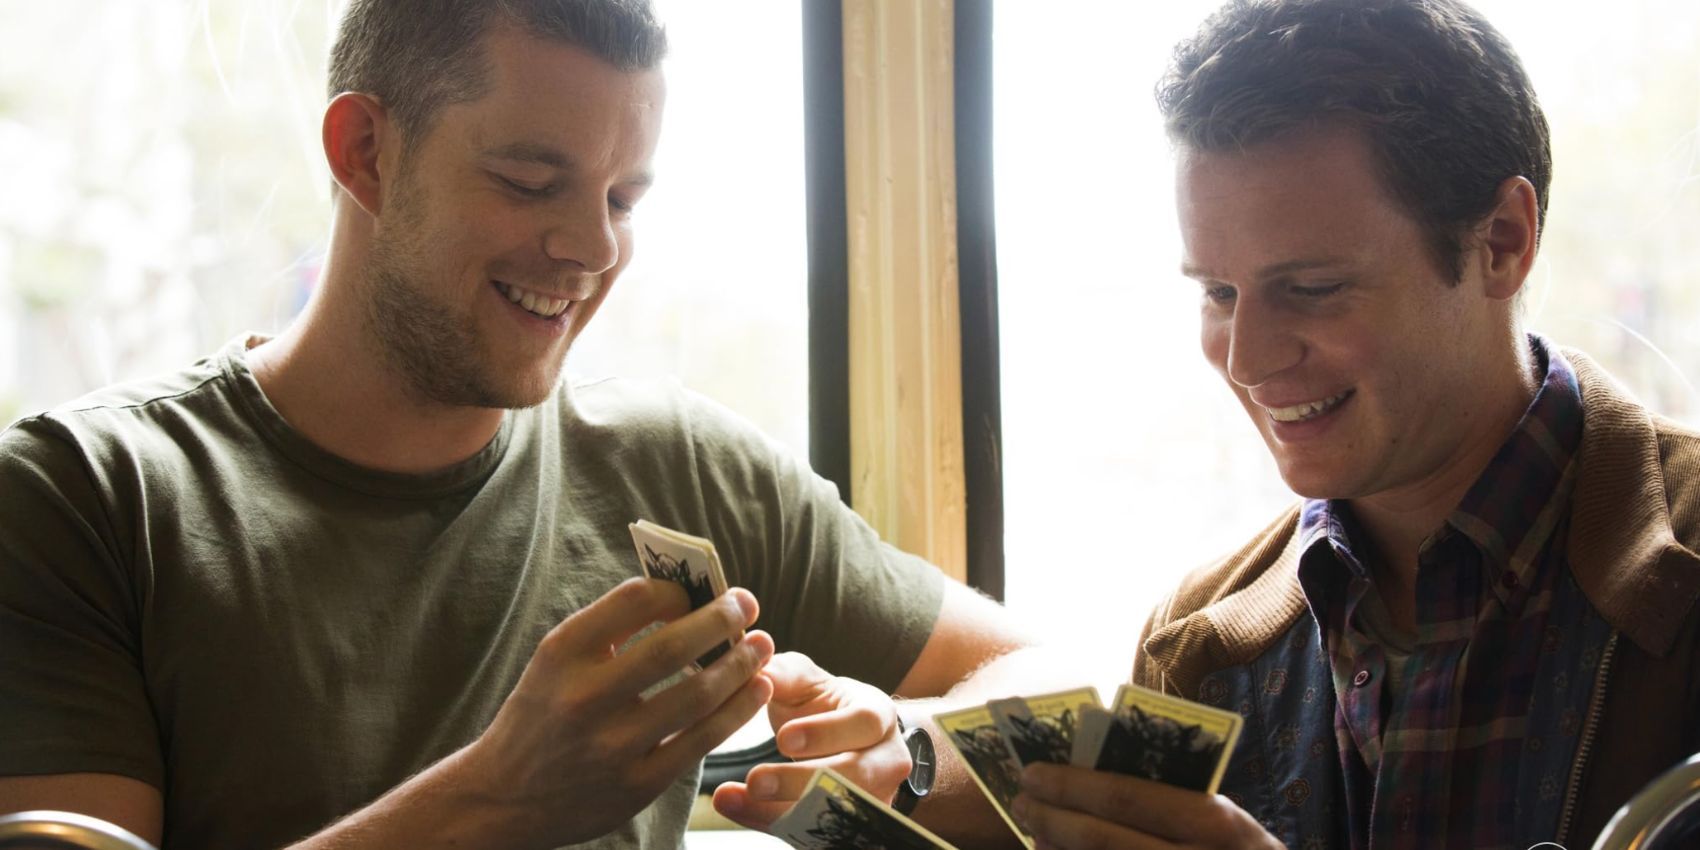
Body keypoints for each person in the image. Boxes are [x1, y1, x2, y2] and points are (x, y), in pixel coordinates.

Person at [0, 1, 1051, 847]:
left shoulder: (682, 466)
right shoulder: (85, 501)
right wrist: (498, 798)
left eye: (624, 199)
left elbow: (1051, 678)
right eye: (528, 181)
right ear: (364, 150)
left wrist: (907, 757)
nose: (591, 248)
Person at [1008, 0, 1700, 848]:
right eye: (1219, 293)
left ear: (1503, 242)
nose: (1247, 361)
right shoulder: (1193, 649)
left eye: (1312, 288)